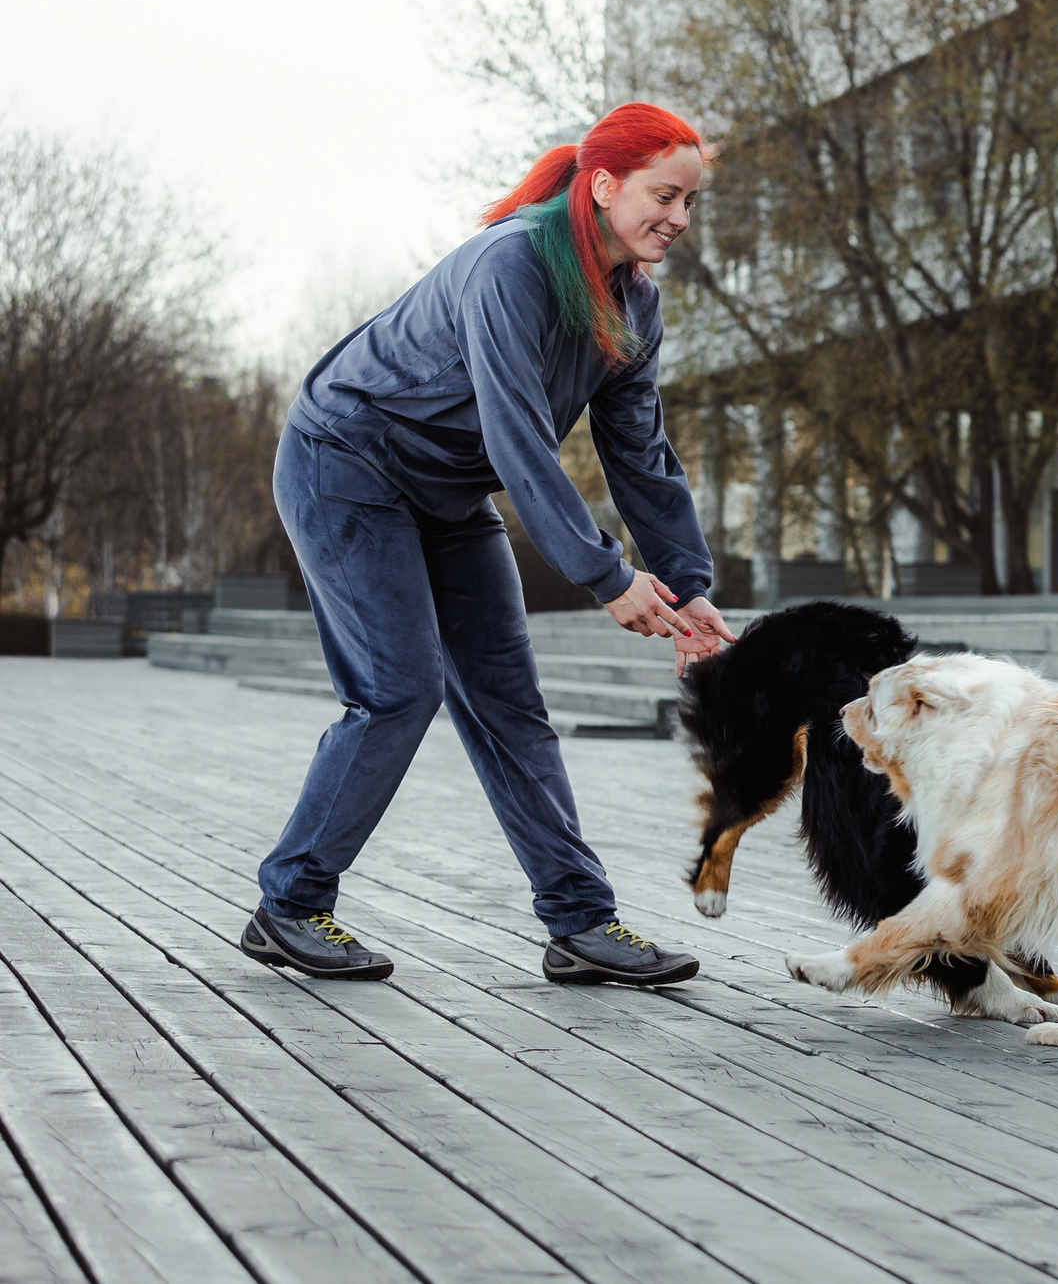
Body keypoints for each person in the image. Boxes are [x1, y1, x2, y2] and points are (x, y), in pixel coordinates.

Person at [240, 103, 738, 986]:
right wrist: (604, 573)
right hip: (346, 462)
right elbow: (516, 435)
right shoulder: (513, 264)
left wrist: (687, 581)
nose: (680, 218)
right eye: (666, 195)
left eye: (691, 201)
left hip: (446, 489)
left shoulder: (636, 305)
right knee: (399, 688)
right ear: (605, 185)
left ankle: (580, 923)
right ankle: (289, 903)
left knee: (510, 702)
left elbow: (641, 453)